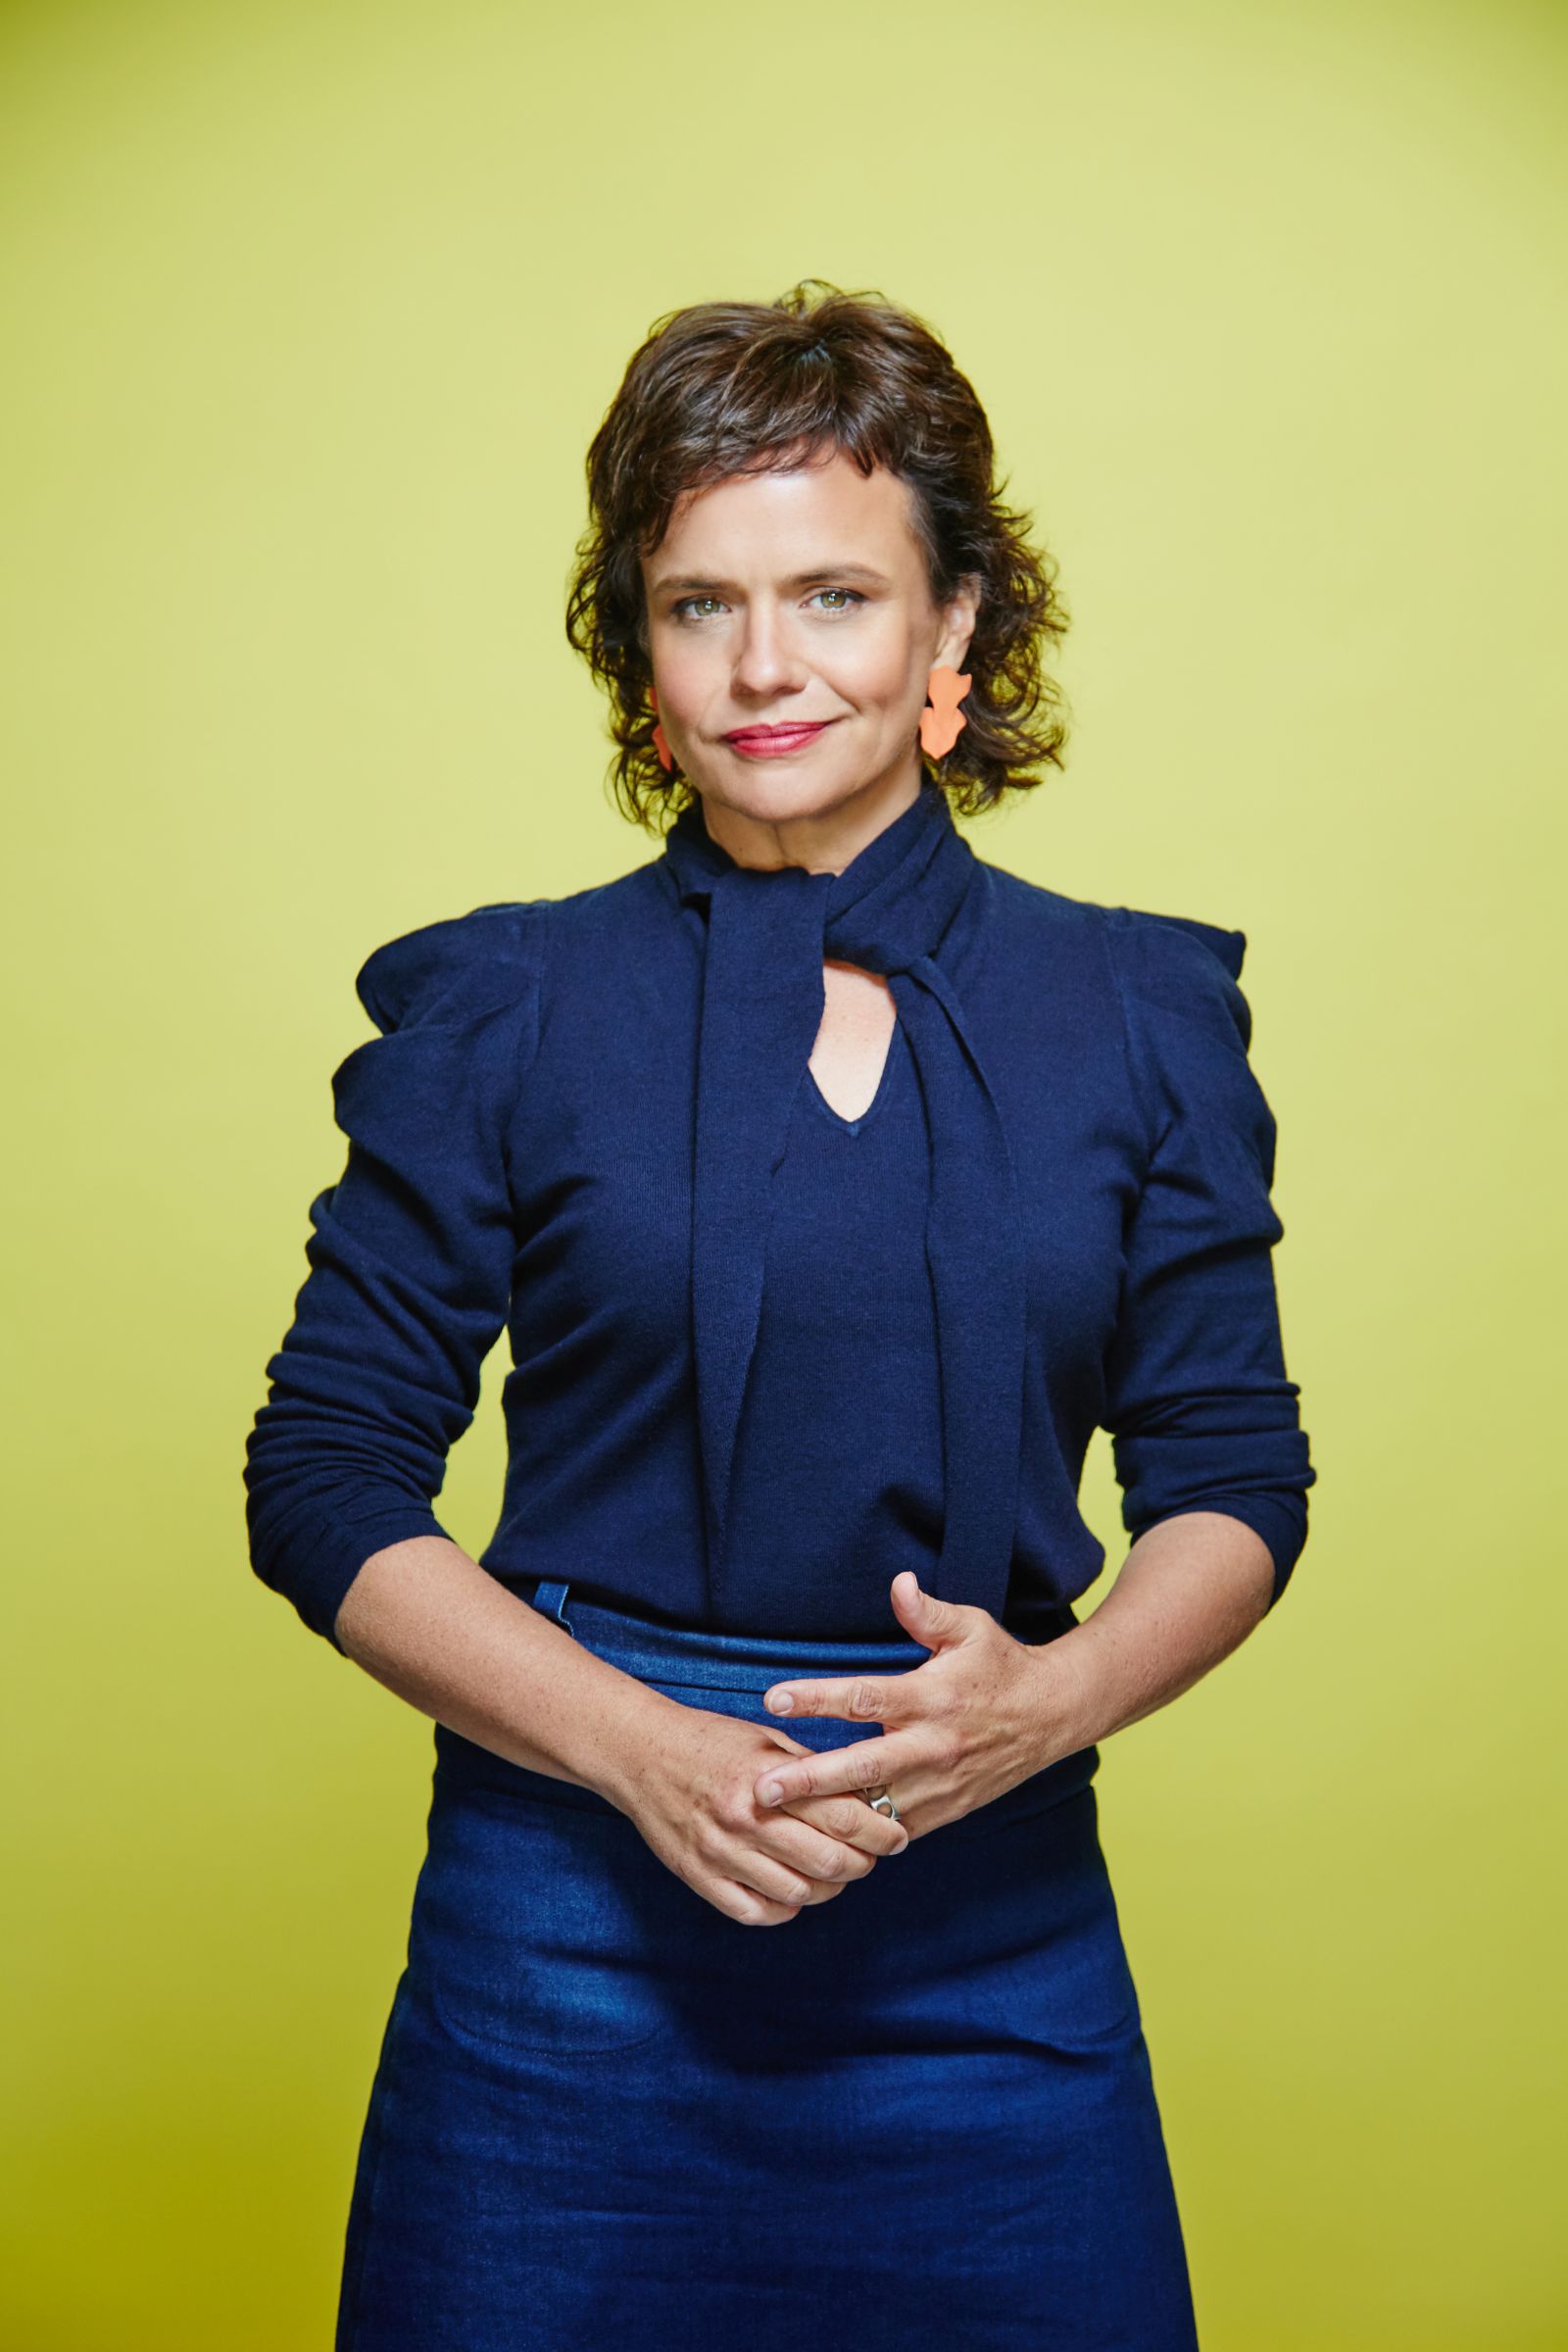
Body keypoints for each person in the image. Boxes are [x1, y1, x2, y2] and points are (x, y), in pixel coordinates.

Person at [244, 279, 1315, 2352]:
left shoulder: (1136, 1017)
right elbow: (323, 1477)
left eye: (831, 594)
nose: (760, 667)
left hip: (987, 1942)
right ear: (634, 650)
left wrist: (1052, 1700)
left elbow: (1233, 1477)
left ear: (951, 636)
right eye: (693, 603)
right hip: (559, 1952)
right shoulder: (507, 1005)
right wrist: (640, 1756)